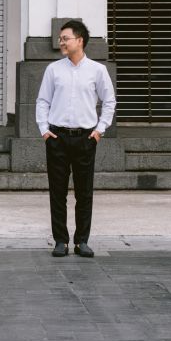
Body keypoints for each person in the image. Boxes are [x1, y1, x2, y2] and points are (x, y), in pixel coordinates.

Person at [35, 19, 116, 258]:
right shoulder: (53, 70)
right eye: (60, 38)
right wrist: (44, 130)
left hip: (85, 138)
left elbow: (109, 101)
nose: (61, 42)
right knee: (57, 192)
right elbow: (42, 101)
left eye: (65, 38)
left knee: (84, 193)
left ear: (79, 41)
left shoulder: (97, 70)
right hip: (57, 137)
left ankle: (82, 241)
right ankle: (60, 241)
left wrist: (99, 130)